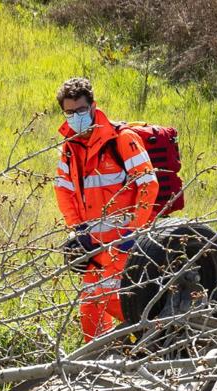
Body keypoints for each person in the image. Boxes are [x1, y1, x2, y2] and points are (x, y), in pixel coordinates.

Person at [54, 77, 158, 341]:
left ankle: (158, 343)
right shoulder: (69, 147)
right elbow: (64, 190)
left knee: (118, 303)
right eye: (69, 112)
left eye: (80, 110)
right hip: (95, 245)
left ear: (92, 106)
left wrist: (133, 233)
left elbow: (148, 184)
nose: (75, 117)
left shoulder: (122, 139)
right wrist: (78, 231)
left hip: (125, 244)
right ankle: (105, 363)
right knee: (90, 311)